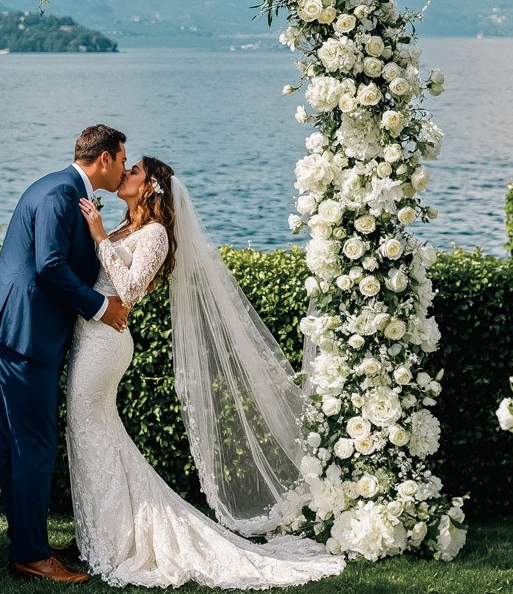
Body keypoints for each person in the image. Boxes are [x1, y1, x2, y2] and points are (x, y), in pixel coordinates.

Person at [68, 156, 346, 588]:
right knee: (92, 429)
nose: (125, 173)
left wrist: (100, 238)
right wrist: (102, 234)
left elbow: (128, 290)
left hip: (108, 343)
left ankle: (114, 537)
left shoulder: (156, 234)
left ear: (152, 187)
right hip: (90, 336)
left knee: (88, 426)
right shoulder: (126, 227)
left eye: (135, 170)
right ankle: (101, 529)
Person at [0, 124, 131, 584]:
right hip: (24, 331)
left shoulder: (58, 186)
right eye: (122, 158)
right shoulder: (61, 194)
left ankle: (27, 544)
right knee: (33, 445)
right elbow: (50, 265)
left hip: (16, 327)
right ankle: (33, 557)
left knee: (20, 443)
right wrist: (102, 306)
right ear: (104, 159)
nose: (123, 167)